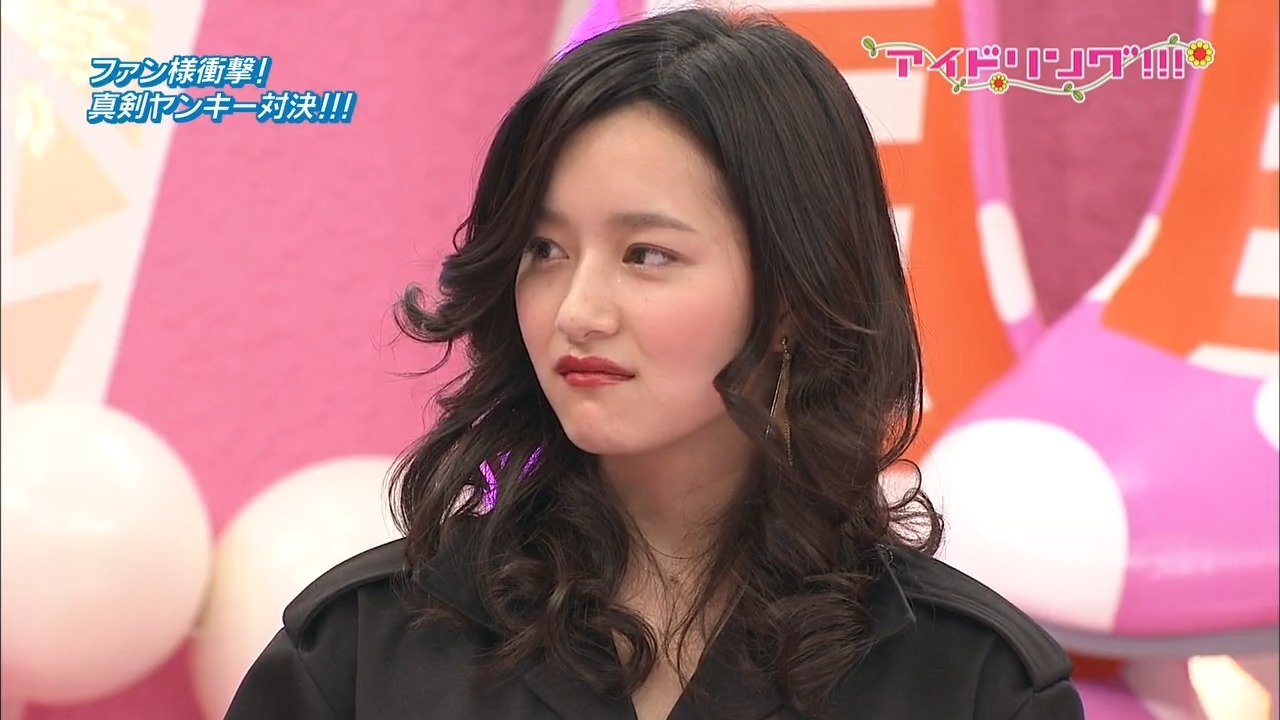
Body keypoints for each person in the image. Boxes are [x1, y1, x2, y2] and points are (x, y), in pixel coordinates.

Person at [224, 7, 1084, 720]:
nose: (577, 311)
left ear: (796, 295)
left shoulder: (973, 682)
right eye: (544, 249)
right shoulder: (364, 646)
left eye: (647, 254)